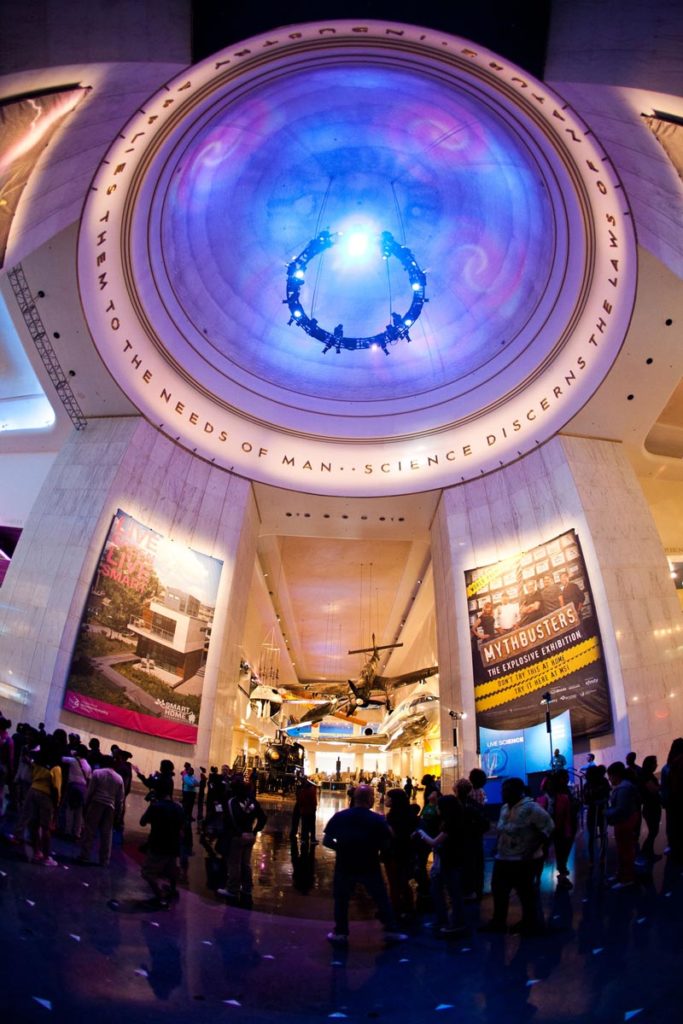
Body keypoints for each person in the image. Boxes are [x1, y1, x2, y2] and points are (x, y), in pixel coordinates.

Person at [323, 784, 407, 945]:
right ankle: (391, 929)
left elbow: (327, 840)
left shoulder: (340, 816)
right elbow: (387, 843)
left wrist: (342, 848)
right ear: (370, 799)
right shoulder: (377, 819)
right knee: (381, 897)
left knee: (341, 900)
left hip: (345, 864)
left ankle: (341, 932)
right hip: (369, 865)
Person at [480, 777, 553, 935]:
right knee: (499, 890)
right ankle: (498, 921)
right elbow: (502, 829)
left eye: (508, 790)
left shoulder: (531, 808)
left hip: (522, 859)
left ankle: (529, 923)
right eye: (503, 790)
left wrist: (532, 849)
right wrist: (497, 846)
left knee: (524, 891)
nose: (504, 793)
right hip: (503, 857)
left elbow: (548, 827)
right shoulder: (505, 808)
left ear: (518, 791)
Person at [217, 779, 267, 907]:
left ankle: (232, 889)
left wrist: (239, 833)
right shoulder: (252, 802)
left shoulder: (231, 802)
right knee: (246, 864)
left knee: (234, 864)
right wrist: (255, 831)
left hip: (237, 837)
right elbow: (263, 818)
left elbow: (229, 820)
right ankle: (247, 888)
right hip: (249, 836)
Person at [139, 776, 185, 908]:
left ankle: (160, 896)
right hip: (173, 845)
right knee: (171, 870)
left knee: (147, 872)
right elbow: (182, 828)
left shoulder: (156, 806)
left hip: (157, 844)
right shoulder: (179, 808)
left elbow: (142, 822)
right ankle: (172, 888)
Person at [79, 756, 124, 867]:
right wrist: (118, 813)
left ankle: (85, 855)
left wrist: (86, 803)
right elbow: (120, 799)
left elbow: (90, 790)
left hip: (96, 803)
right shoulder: (119, 778)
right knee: (107, 833)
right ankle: (104, 860)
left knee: (90, 830)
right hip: (110, 807)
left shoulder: (97, 773)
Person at [383, 787, 419, 922]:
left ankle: (396, 909)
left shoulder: (393, 816)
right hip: (406, 851)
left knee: (394, 882)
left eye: (388, 797)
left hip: (394, 852)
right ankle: (409, 907)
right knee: (403, 881)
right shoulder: (408, 813)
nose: (385, 799)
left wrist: (385, 825)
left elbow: (395, 834)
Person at [604, 761, 641, 889]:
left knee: (625, 851)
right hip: (624, 822)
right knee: (624, 850)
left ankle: (627, 879)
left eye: (610, 776)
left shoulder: (623, 788)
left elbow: (620, 809)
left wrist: (606, 812)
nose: (609, 779)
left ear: (616, 775)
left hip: (624, 823)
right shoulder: (625, 786)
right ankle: (621, 875)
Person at [583, 764, 610, 867]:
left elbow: (607, 796)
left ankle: (602, 856)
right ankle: (591, 858)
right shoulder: (587, 785)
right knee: (591, 836)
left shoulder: (603, 782)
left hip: (602, 811)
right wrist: (592, 802)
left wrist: (602, 801)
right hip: (592, 811)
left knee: (603, 834)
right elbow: (585, 800)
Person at [660, 737, 683, 860]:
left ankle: (674, 847)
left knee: (673, 826)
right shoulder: (677, 765)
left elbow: (664, 788)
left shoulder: (666, 767)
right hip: (677, 800)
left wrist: (665, 801)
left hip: (672, 802)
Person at [639, 754, 661, 862]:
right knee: (653, 832)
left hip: (650, 807)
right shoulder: (647, 776)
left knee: (653, 831)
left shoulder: (645, 775)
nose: (656, 765)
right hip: (651, 808)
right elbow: (653, 790)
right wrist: (661, 787)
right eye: (655, 762)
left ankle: (649, 853)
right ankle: (646, 853)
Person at [291, 776, 318, 846]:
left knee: (304, 824)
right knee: (311, 824)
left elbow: (299, 798)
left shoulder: (301, 788)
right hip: (309, 809)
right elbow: (313, 800)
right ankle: (311, 839)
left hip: (304, 808)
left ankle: (303, 838)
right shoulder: (311, 788)